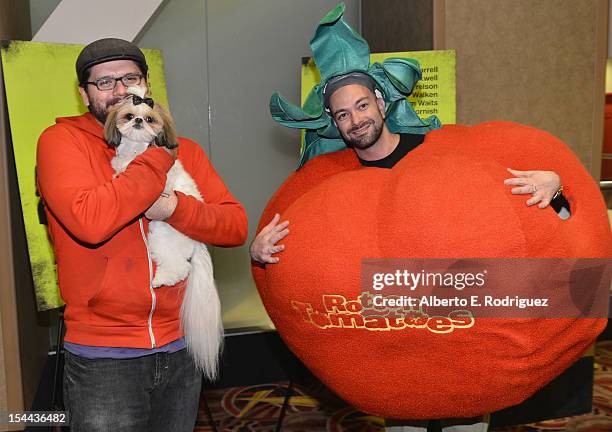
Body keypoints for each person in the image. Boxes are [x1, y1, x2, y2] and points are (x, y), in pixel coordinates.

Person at [251, 73, 566, 432]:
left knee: (467, 418)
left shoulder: (438, 150)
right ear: (334, 124)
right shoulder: (328, 179)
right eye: (342, 115)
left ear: (381, 104)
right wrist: (258, 251)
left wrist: (556, 186)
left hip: (463, 321)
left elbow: (520, 205)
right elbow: (290, 249)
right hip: (393, 335)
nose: (356, 120)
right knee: (404, 418)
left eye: (362, 105)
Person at [36, 38, 248, 432]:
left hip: (181, 343)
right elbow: (90, 222)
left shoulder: (189, 151)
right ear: (83, 93)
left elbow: (234, 226)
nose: (120, 90)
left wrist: (173, 209)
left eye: (130, 78)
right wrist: (156, 158)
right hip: (105, 356)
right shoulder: (61, 143)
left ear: (147, 84)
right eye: (105, 83)